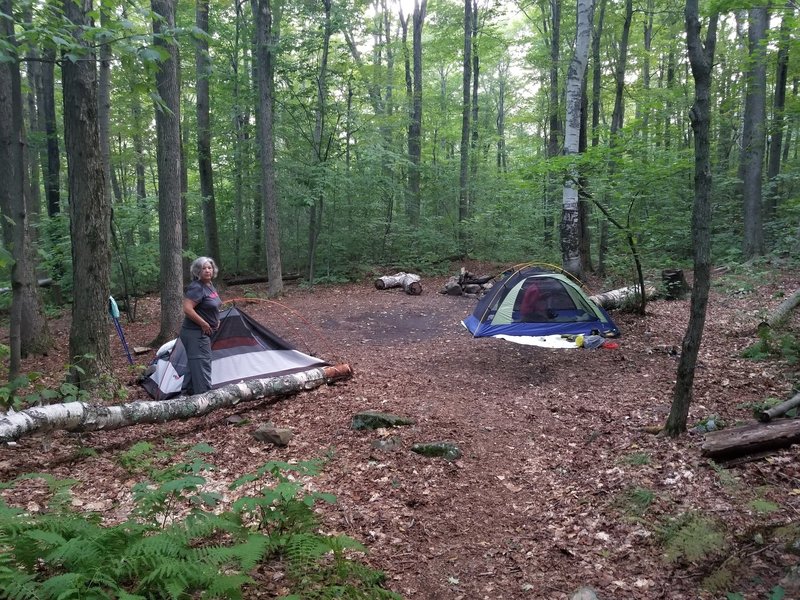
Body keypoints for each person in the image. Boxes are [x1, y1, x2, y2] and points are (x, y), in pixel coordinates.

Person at [180, 257, 222, 395]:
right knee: (202, 365)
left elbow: (210, 306)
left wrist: (217, 319)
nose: (207, 270)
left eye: (209, 267)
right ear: (198, 271)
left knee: (195, 366)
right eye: (203, 268)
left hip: (203, 333)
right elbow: (187, 308)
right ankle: (205, 400)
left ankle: (188, 395)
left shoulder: (209, 285)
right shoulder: (196, 287)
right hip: (196, 334)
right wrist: (203, 323)